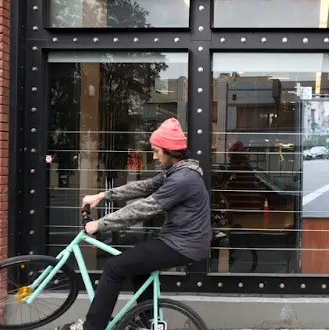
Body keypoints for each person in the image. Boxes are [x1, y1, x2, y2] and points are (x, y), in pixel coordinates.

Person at [56, 118, 212, 330]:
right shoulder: (176, 172)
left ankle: (92, 327)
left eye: (157, 151)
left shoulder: (182, 180)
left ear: (170, 151)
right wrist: (103, 195)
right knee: (139, 267)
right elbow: (143, 186)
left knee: (113, 267)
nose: (154, 156)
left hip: (182, 245)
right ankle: (147, 322)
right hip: (180, 241)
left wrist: (100, 224)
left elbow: (143, 208)